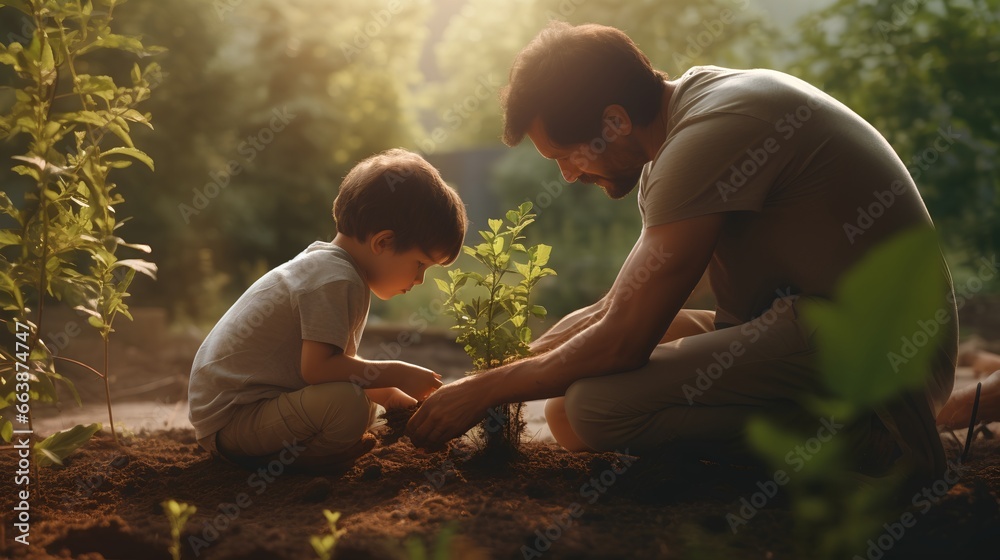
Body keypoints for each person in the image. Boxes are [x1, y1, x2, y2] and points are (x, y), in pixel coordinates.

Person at [407, 22, 959, 484]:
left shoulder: (714, 130)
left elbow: (624, 338)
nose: (569, 174)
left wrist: (486, 389)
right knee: (567, 414)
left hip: (878, 353)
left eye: (567, 155)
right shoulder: (679, 135)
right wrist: (499, 371)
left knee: (596, 407)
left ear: (615, 121)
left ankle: (872, 444)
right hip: (807, 323)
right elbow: (618, 306)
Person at [189, 148, 466, 469]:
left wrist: (392, 397)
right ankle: (297, 462)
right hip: (234, 420)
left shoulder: (332, 268)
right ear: (383, 243)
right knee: (349, 404)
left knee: (360, 403)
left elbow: (339, 366)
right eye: (420, 264)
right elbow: (319, 370)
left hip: (242, 415)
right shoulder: (335, 278)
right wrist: (398, 373)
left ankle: (305, 450)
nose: (419, 280)